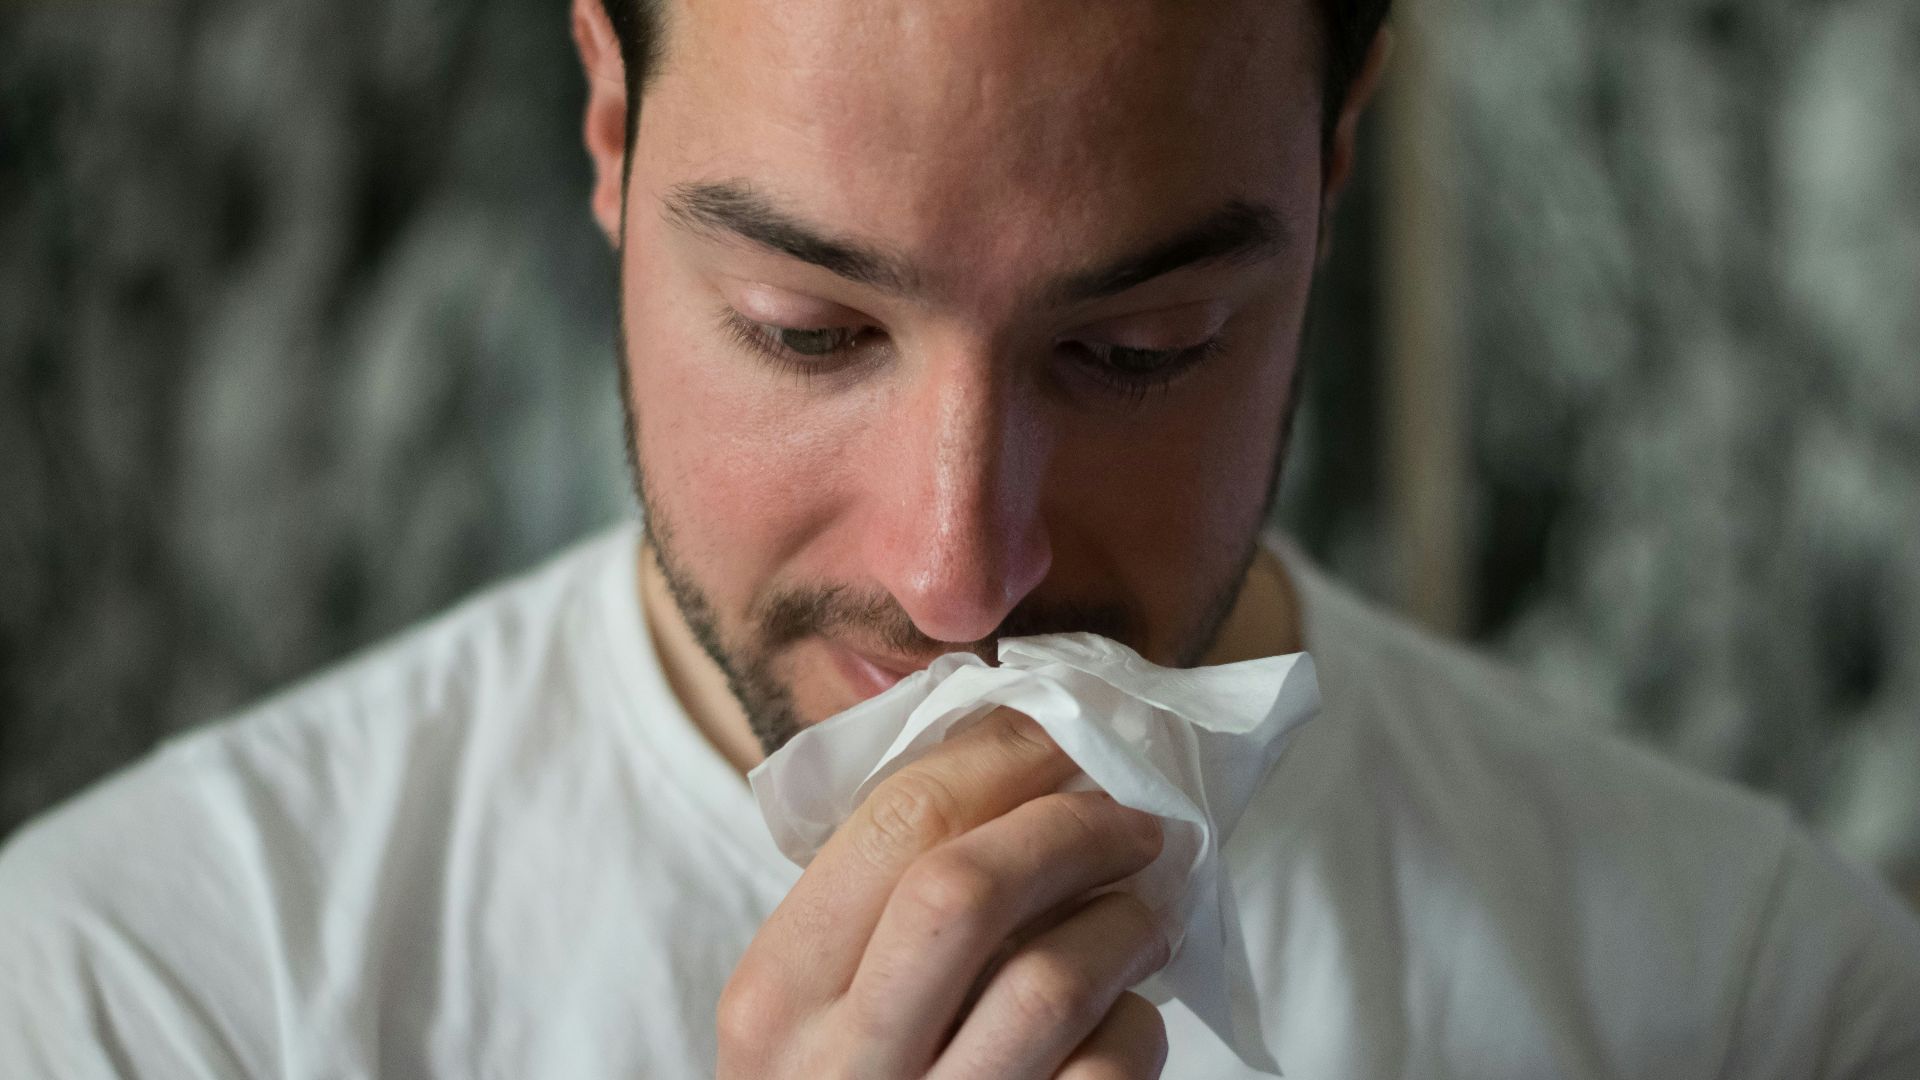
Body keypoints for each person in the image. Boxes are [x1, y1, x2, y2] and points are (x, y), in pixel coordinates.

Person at [3, 0, 1918, 1075]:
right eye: (809, 331)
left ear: (1329, 169)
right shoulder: (138, 1002)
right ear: (608, 126)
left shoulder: (1763, 1002)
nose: (959, 573)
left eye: (1139, 350)